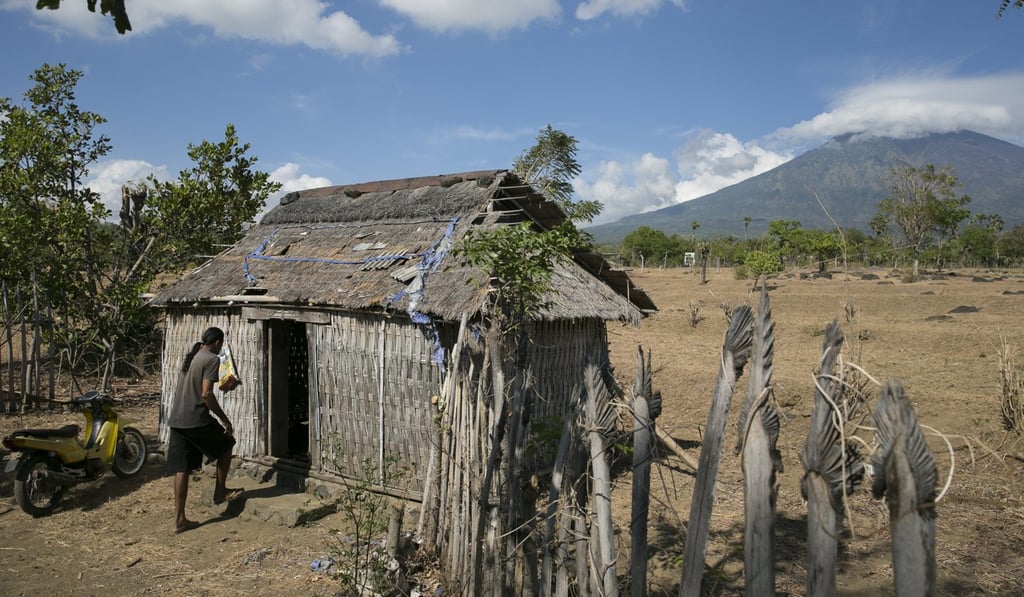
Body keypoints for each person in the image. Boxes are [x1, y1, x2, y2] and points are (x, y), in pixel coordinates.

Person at [166, 326, 243, 533]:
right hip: (195, 418)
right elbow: (206, 394)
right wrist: (225, 420)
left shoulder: (193, 356)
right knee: (227, 445)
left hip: (177, 419)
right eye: (221, 344)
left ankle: (179, 520)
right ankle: (220, 491)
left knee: (182, 469)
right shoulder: (211, 359)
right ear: (217, 343)